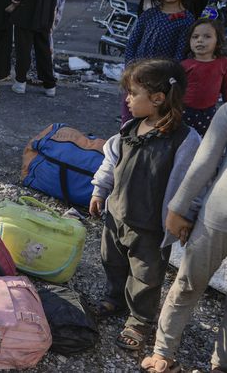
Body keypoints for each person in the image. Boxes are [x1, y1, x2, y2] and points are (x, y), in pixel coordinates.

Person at [90, 59, 201, 353]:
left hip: (151, 225)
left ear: (158, 98)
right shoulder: (130, 128)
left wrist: (185, 215)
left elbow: (194, 181)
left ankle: (140, 319)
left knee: (146, 274)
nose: (127, 99)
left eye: (132, 93)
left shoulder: (185, 139)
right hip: (117, 215)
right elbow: (110, 161)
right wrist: (100, 191)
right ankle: (114, 298)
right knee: (112, 260)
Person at [140, 103, 227, 373]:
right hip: (217, 216)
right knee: (188, 282)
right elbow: (205, 161)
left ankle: (220, 364)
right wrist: (178, 208)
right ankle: (163, 350)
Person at [122, 0, 197, 123]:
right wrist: (130, 71)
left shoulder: (187, 20)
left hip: (159, 85)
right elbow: (132, 43)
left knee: (153, 122)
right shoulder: (149, 14)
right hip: (136, 79)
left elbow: (178, 57)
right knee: (129, 119)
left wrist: (163, 82)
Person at [181, 19, 227, 136]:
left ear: (218, 42)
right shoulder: (185, 65)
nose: (200, 40)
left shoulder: (222, 63)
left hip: (209, 112)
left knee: (204, 142)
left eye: (207, 36)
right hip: (184, 111)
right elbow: (176, 89)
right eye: (195, 37)